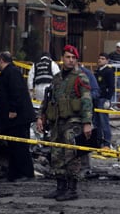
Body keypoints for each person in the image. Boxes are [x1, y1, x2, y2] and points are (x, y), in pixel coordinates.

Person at [36, 45, 93, 201]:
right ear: (62, 58)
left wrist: (87, 122)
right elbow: (48, 100)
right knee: (56, 155)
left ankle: (72, 189)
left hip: (73, 122)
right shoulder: (57, 78)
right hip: (57, 122)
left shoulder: (80, 77)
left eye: (73, 58)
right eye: (68, 57)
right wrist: (41, 117)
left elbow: (87, 100)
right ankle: (60, 187)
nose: (70, 60)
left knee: (72, 156)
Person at [0, 51, 36, 182]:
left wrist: (13, 110)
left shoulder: (11, 73)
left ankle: (26, 173)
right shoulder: (9, 73)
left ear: (1, 60)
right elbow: (2, 93)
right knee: (14, 146)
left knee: (20, 146)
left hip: (18, 118)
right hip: (15, 119)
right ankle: (15, 174)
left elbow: (16, 92)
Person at [95, 53, 115, 149]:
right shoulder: (97, 71)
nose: (100, 60)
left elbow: (111, 87)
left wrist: (108, 99)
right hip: (96, 99)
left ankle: (107, 142)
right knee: (96, 122)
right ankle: (98, 142)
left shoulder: (109, 71)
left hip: (103, 99)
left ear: (107, 60)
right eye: (99, 58)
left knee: (104, 121)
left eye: (103, 59)